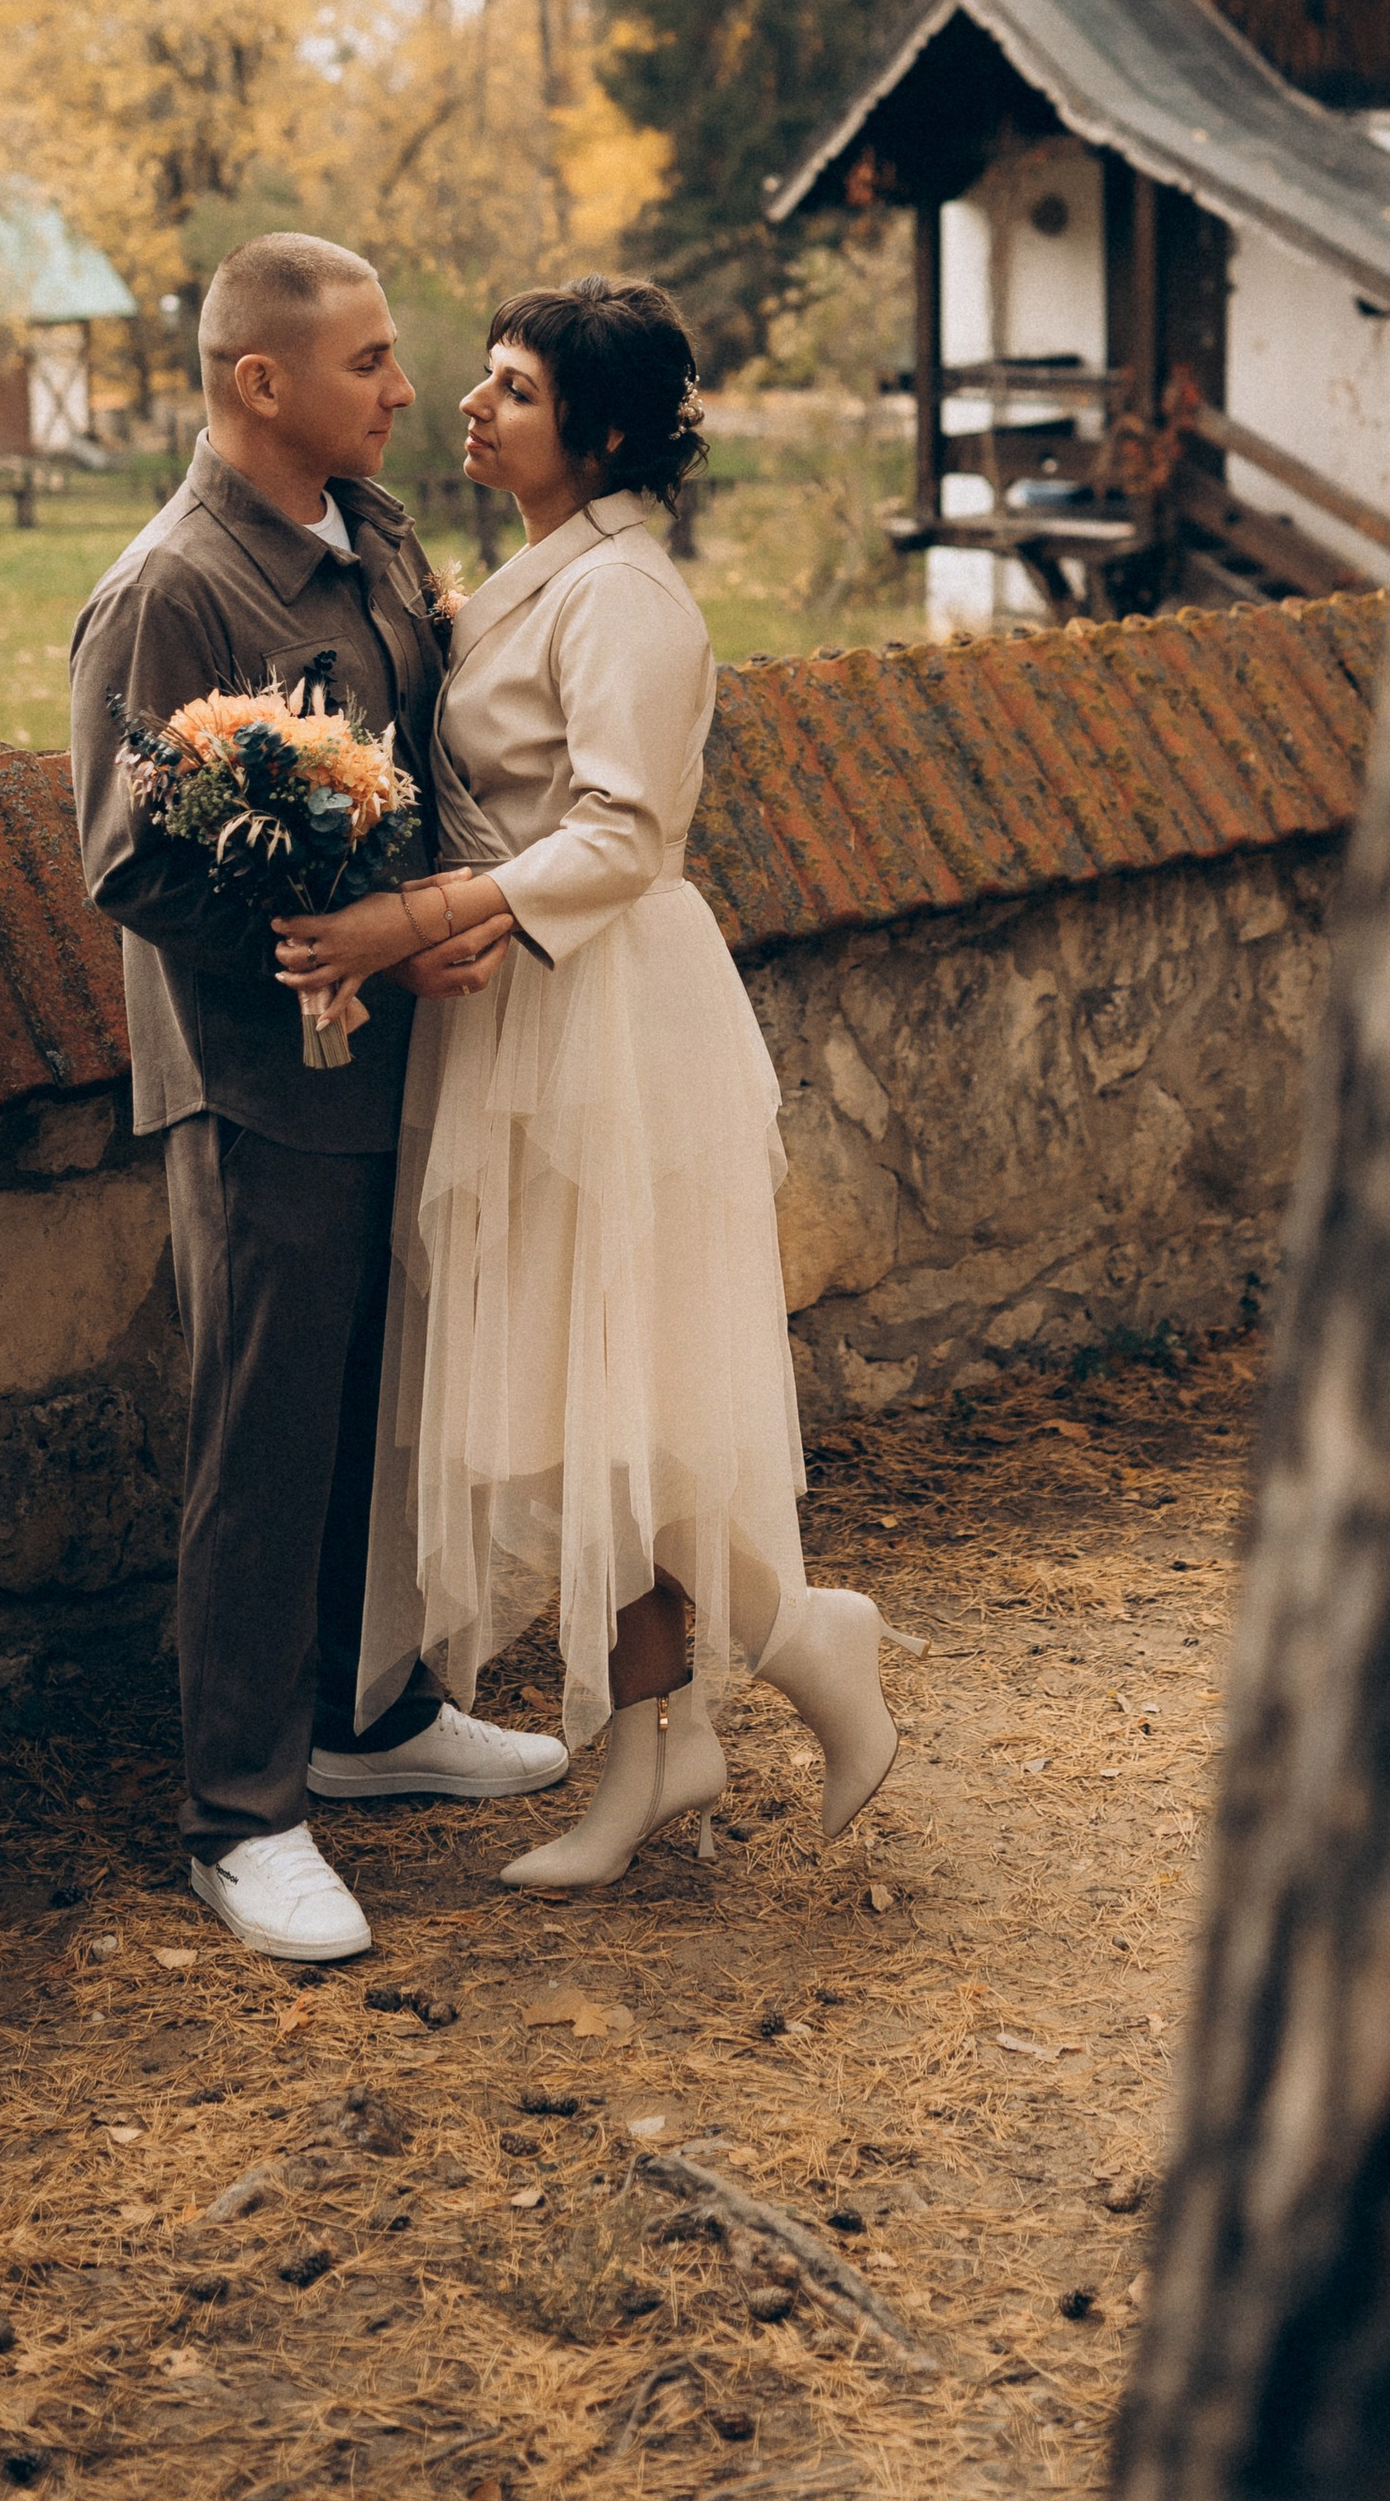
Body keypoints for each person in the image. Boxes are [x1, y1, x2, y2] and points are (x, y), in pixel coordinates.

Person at [274, 274, 900, 1890]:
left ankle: (783, 1648)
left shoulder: (632, 601)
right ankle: (675, 1734)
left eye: (512, 390)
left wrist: (421, 914)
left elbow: (625, 831)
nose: (471, 409)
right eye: (478, 382)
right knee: (574, 1410)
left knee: (624, 1398)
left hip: (607, 1011)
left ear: (602, 432)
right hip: (517, 1012)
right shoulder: (527, 575)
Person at [68, 235, 566, 1969]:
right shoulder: (170, 590)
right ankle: (238, 1819)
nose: (406, 389)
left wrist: (431, 912)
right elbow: (131, 864)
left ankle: (367, 1723)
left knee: (386, 1414)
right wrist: (336, 937)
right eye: (368, 362)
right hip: (264, 1084)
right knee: (266, 1441)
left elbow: (418, 758)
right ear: (256, 382)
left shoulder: (378, 533)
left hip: (409, 1065)